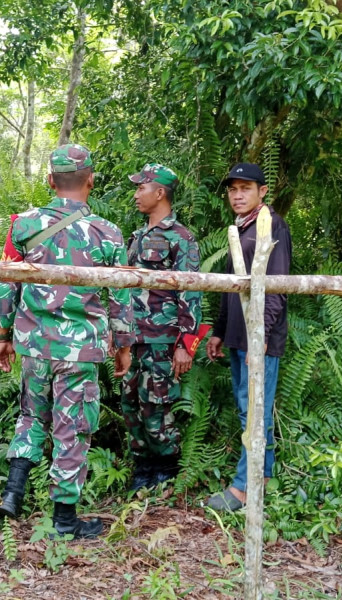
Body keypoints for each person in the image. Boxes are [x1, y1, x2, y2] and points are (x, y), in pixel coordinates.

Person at [0, 144, 134, 538]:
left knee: (31, 415)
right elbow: (120, 296)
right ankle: (65, 522)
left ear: (51, 181)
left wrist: (3, 335)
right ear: (90, 180)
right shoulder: (107, 232)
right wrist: (123, 345)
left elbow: (7, 284)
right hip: (80, 348)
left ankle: (13, 492)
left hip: (34, 344)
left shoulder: (22, 225)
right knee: (72, 427)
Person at [205, 162, 292, 512]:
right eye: (232, 189)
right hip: (238, 337)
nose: (237, 195)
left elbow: (277, 287)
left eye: (246, 188)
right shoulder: (240, 228)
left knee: (254, 412)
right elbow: (233, 287)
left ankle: (244, 488)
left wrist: (262, 337)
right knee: (249, 409)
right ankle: (262, 476)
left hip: (260, 339)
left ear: (262, 192)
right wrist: (219, 333)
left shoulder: (273, 225)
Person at [121, 163, 203, 491]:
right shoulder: (138, 236)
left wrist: (186, 344)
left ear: (160, 193)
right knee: (130, 402)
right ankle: (142, 467)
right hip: (134, 337)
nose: (136, 193)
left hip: (163, 338)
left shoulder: (181, 238)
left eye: (141, 187)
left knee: (156, 402)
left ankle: (166, 467)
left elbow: (191, 291)